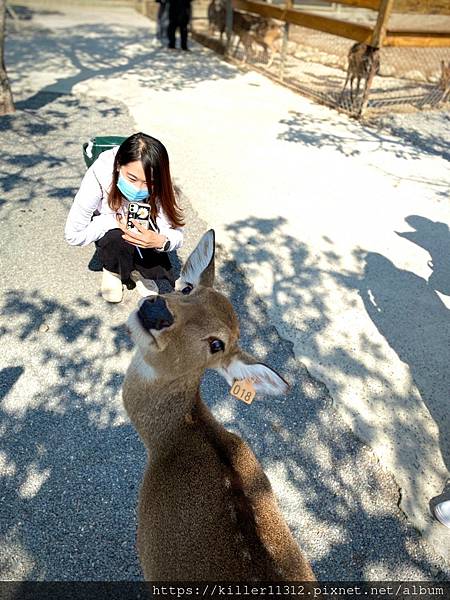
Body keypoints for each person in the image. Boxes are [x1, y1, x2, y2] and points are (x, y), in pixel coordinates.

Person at [65, 132, 184, 303]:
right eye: (132, 178)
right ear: (118, 165)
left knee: (145, 230)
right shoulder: (99, 174)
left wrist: (160, 241)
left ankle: (141, 271)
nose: (139, 188)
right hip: (110, 228)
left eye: (149, 182)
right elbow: (73, 235)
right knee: (115, 236)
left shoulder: (162, 184)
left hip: (145, 230)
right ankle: (112, 270)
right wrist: (113, 220)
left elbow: (177, 234)